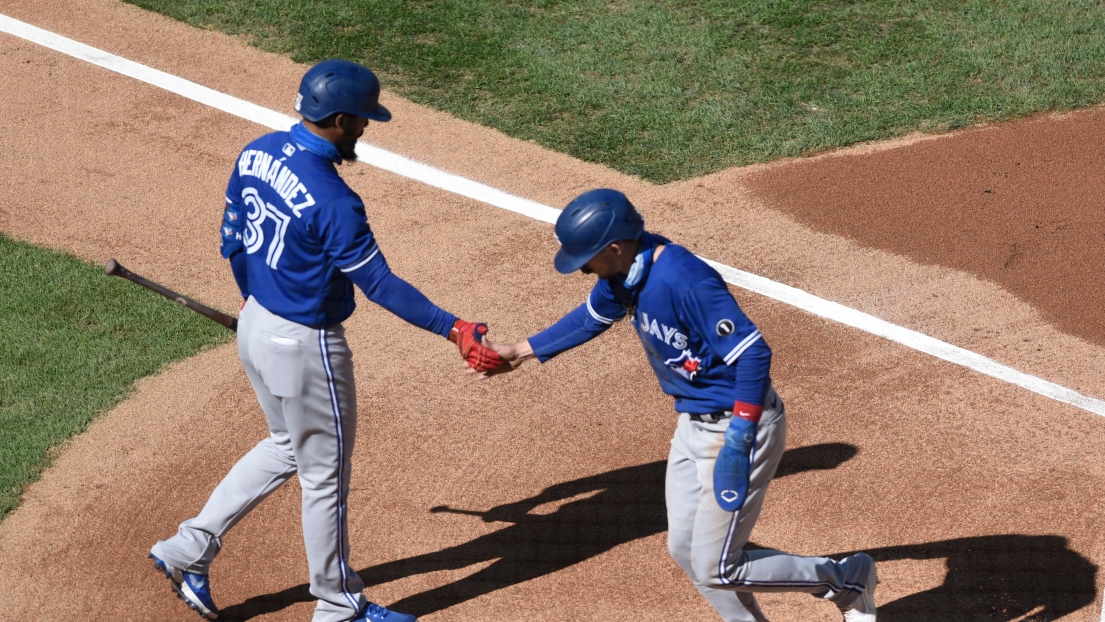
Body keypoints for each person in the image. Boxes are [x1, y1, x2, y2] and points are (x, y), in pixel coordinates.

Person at [148, 59, 501, 622]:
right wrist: (453, 328)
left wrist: (252, 298)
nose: (365, 129)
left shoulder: (255, 152)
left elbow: (234, 241)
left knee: (286, 445)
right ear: (338, 118)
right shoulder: (335, 200)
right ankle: (340, 607)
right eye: (361, 120)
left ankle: (187, 549)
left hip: (259, 325)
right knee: (325, 477)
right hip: (305, 347)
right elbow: (379, 282)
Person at [475, 188, 879, 621]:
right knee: (685, 549)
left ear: (613, 247)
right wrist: (519, 351)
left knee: (718, 564)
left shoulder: (684, 279)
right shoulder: (624, 273)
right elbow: (591, 317)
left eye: (586, 259)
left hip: (741, 425)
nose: (582, 270)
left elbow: (753, 352)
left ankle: (846, 581)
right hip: (693, 423)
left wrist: (740, 437)